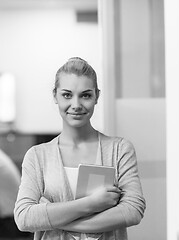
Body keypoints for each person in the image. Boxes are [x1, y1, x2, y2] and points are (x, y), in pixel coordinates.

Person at [14, 57, 146, 240]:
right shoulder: (37, 156)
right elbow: (24, 218)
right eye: (67, 95)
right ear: (55, 96)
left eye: (85, 95)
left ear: (96, 96)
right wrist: (92, 204)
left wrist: (51, 216)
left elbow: (133, 210)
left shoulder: (120, 150)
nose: (76, 105)